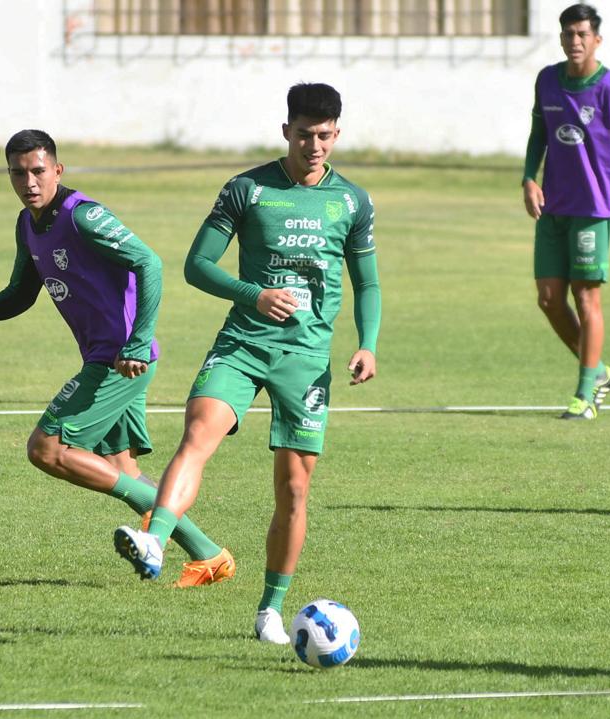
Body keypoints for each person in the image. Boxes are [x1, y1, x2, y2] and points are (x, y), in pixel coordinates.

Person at [112, 83, 381, 644]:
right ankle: (156, 539)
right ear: (286, 130)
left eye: (325, 135)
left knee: (294, 490)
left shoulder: (352, 202)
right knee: (198, 432)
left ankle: (270, 611)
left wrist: (368, 342)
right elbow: (196, 265)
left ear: (338, 133)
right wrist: (252, 294)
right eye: (304, 134)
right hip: (242, 342)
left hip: (306, 360)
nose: (314, 145)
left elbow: (368, 283)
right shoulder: (247, 190)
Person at [0, 129, 231, 587]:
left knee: (47, 449)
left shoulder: (86, 217)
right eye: (18, 173)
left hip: (122, 361)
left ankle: (180, 543)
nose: (30, 181)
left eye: (38, 170)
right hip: (104, 358)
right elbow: (22, 292)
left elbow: (150, 263)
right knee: (122, 470)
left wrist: (138, 342)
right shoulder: (28, 224)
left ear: (58, 170)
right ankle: (209, 555)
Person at [522, 3, 610, 420]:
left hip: (593, 208)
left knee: (586, 296)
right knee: (548, 299)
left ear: (596, 40)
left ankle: (585, 394)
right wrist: (528, 178)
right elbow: (539, 134)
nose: (574, 41)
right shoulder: (547, 81)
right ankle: (600, 371)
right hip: (553, 206)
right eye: (568, 34)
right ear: (561, 39)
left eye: (582, 34)